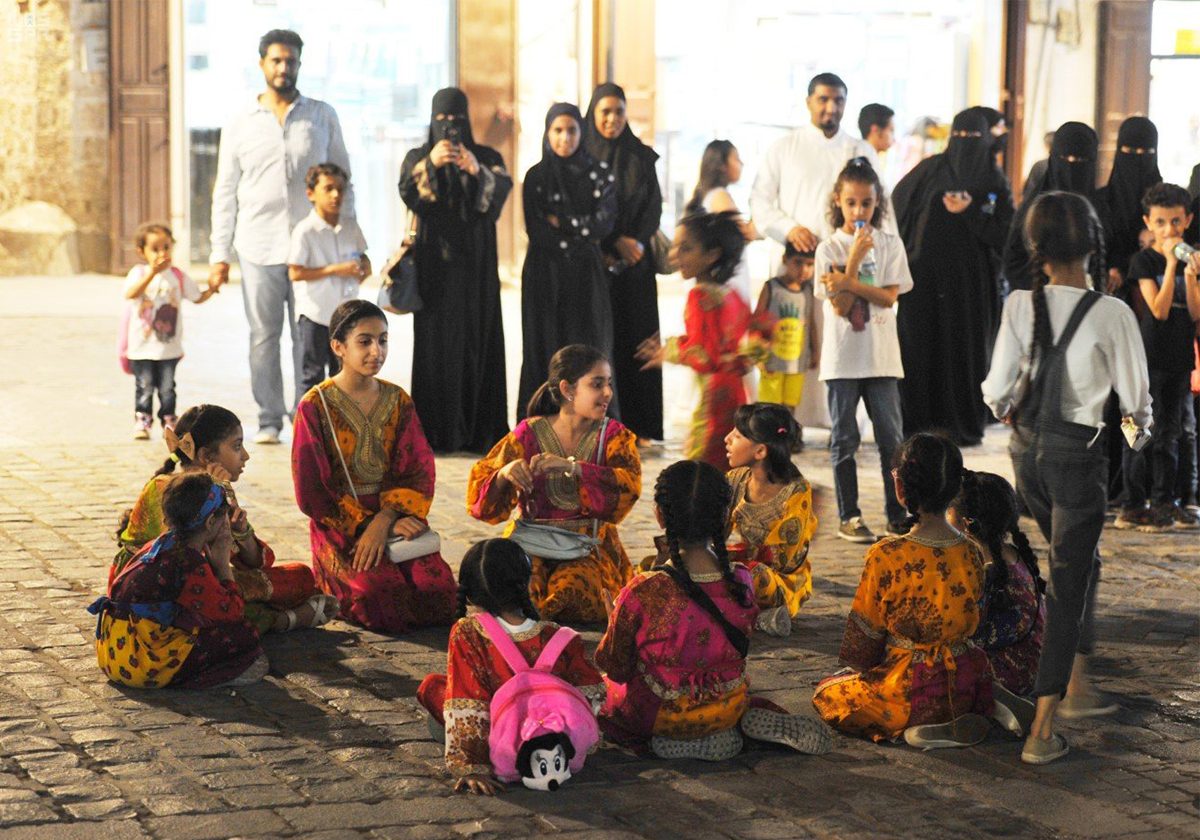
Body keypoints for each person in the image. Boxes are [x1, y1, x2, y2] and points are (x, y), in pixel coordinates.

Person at [982, 191, 1152, 765]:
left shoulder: (1017, 306)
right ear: (1093, 242)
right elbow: (1137, 407)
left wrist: (1010, 409)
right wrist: (1135, 442)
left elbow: (995, 392)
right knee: (1069, 580)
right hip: (1079, 462)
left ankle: (1078, 681)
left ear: (1034, 247)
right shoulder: (1112, 313)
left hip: (1026, 458)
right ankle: (1045, 726)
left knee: (1079, 561)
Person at [597, 459, 833, 760]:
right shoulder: (743, 582)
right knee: (738, 692)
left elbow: (614, 664)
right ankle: (732, 726)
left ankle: (675, 739)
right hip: (725, 706)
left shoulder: (644, 589)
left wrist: (613, 618)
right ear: (724, 516)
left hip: (661, 714)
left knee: (606, 698)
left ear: (659, 515)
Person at [209, 29, 354, 445]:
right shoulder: (240, 122)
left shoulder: (321, 116)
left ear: (299, 65)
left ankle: (307, 419)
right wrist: (220, 253)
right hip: (258, 244)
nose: (283, 68)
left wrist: (352, 239)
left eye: (290, 61)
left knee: (310, 335)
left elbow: (344, 180)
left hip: (312, 248)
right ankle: (270, 418)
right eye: (275, 60)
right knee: (264, 335)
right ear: (262, 64)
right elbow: (225, 189)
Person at [811, 433, 996, 748]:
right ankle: (966, 713)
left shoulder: (887, 553)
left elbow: (866, 631)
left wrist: (855, 670)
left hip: (908, 684)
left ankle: (916, 724)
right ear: (955, 488)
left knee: (827, 693)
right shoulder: (971, 550)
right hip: (966, 677)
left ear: (900, 488)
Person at [292, 300, 456, 633]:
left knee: (438, 592)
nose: (376, 351)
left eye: (382, 340)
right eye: (364, 341)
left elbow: (418, 470)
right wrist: (366, 523)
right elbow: (312, 491)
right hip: (340, 526)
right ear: (338, 346)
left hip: (395, 517)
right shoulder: (315, 406)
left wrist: (387, 520)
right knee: (378, 596)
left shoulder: (398, 400)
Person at [113, 404, 334, 634]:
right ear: (206, 456)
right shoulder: (165, 489)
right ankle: (280, 620)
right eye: (237, 446)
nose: (245, 456)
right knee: (220, 608)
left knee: (301, 576)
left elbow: (258, 563)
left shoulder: (215, 491)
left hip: (196, 581)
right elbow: (188, 567)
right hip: (157, 594)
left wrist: (239, 529)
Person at [750, 72, 889, 434]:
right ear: (808, 101)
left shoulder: (860, 150)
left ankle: (838, 422)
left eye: (838, 100)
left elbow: (880, 206)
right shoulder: (784, 148)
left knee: (838, 342)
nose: (831, 107)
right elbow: (761, 203)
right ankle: (785, 425)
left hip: (845, 265)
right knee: (791, 343)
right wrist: (789, 228)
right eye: (824, 99)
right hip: (794, 265)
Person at [416, 538, 605, 796]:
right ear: (526, 583)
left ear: (469, 593)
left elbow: (469, 702)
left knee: (433, 686)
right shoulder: (559, 636)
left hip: (503, 746)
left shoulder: (468, 632)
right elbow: (591, 697)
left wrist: (473, 767)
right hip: (556, 742)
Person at [469, 344, 640, 624]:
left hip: (586, 547)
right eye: (597, 385)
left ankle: (537, 630)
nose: (607, 393)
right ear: (568, 389)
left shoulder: (614, 436)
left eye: (608, 384)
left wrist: (575, 468)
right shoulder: (528, 432)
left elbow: (629, 487)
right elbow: (480, 495)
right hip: (531, 543)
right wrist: (504, 474)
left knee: (574, 591)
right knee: (513, 587)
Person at [399, 87, 513, 454]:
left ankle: (480, 431)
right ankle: (436, 432)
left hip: (477, 268)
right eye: (442, 121)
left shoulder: (487, 157)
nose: (450, 129)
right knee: (437, 344)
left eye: (457, 120)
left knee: (480, 340)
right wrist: (432, 163)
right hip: (435, 267)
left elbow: (497, 199)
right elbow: (409, 192)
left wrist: (474, 169)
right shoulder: (418, 155)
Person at [893, 109, 1014, 446]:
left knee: (966, 350)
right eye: (960, 137)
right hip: (923, 284)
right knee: (920, 349)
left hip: (972, 287)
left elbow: (1007, 235)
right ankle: (917, 423)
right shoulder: (929, 171)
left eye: (973, 139)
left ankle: (962, 423)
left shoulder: (995, 180)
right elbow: (898, 210)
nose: (966, 145)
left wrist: (971, 213)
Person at [88, 472, 267, 689]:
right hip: (137, 665)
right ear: (211, 522)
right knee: (243, 635)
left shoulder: (160, 544)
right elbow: (231, 612)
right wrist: (221, 566)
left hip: (111, 651)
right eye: (224, 518)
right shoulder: (188, 562)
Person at [814, 158, 913, 542]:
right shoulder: (829, 248)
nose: (859, 211)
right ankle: (849, 515)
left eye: (866, 203)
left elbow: (889, 298)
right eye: (851, 202)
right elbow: (837, 306)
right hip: (842, 361)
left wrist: (845, 281)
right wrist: (853, 259)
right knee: (844, 440)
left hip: (882, 358)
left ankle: (896, 512)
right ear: (838, 201)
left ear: (877, 204)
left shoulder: (890, 244)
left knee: (892, 440)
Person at [635, 212, 763, 470]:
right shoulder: (731, 294)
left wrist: (670, 351)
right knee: (732, 461)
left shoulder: (699, 296)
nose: (674, 255)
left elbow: (704, 356)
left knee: (702, 464)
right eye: (675, 247)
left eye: (686, 249)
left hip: (714, 395)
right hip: (736, 391)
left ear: (712, 255)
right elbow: (749, 342)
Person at [516, 104, 619, 422]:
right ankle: (541, 420)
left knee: (588, 343)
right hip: (544, 274)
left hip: (585, 276)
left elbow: (604, 224)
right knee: (544, 344)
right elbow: (537, 229)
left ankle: (590, 421)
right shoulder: (535, 177)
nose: (565, 138)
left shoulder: (599, 174)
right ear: (547, 134)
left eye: (572, 130)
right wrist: (580, 229)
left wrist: (561, 220)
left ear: (582, 132)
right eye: (557, 130)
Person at [1115, 183, 1200, 531]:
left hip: (1180, 356)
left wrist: (1192, 276)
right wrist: (1169, 265)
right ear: (1149, 222)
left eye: (1176, 222)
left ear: (1188, 220)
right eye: (1161, 222)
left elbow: (1194, 314)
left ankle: (1167, 500)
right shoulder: (1143, 261)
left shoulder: (1192, 258)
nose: (1169, 230)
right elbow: (1159, 309)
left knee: (1173, 431)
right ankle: (1133, 503)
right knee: (1140, 428)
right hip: (1149, 357)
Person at [583, 83, 665, 444]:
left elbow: (654, 207)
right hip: (597, 264)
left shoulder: (641, 157)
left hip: (636, 265)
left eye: (618, 111)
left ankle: (640, 425)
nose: (612, 119)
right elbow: (584, 209)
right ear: (593, 114)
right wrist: (612, 240)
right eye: (605, 111)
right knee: (601, 341)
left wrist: (636, 241)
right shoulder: (582, 157)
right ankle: (601, 421)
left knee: (637, 339)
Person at [723, 404, 816, 637]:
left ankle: (754, 616)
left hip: (777, 579)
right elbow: (716, 531)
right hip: (738, 566)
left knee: (752, 576)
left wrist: (731, 558)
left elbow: (785, 561)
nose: (727, 439)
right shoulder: (735, 479)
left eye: (737, 435)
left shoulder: (796, 493)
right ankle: (747, 617)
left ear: (760, 451)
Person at [951, 471, 1045, 699]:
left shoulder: (984, 569)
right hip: (1032, 670)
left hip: (1006, 678)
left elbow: (963, 634)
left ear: (965, 524)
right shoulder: (1016, 554)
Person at [123, 223, 215, 440]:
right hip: (142, 347)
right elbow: (131, 293)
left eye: (166, 247)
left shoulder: (177, 276)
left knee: (167, 388)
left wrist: (212, 288)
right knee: (144, 386)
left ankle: (169, 421)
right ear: (142, 251)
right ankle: (143, 420)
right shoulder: (138, 273)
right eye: (155, 249)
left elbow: (197, 297)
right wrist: (152, 273)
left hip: (168, 347)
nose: (162, 253)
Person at [288, 163, 369, 398]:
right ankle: (306, 429)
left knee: (344, 374)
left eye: (340, 189)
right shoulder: (305, 231)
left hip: (345, 316)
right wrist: (334, 270)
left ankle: (339, 427)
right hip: (316, 315)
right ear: (311, 193)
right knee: (312, 375)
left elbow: (364, 257)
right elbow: (295, 272)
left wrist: (364, 268)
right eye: (329, 189)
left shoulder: (350, 226)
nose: (336, 195)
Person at [1004, 122, 1103, 293]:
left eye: (1081, 161)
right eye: (1065, 160)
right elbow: (1014, 262)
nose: (1072, 167)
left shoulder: (1102, 209)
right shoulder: (1032, 211)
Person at [687, 139, 759, 307]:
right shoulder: (720, 196)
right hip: (726, 286)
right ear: (722, 165)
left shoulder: (707, 195)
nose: (741, 163)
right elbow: (746, 234)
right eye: (736, 158)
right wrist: (760, 205)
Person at [752, 240, 818, 417]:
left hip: (797, 360)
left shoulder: (808, 291)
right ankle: (768, 437)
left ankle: (786, 437)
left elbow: (810, 324)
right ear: (785, 259)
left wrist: (815, 351)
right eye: (798, 263)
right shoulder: (771, 287)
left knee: (791, 403)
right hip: (771, 360)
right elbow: (757, 319)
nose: (804, 270)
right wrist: (758, 352)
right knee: (769, 404)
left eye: (810, 265)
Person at [1099, 117, 1161, 294]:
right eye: (1132, 151)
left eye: (1147, 151)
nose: (1139, 157)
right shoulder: (1101, 201)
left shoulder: (1167, 202)